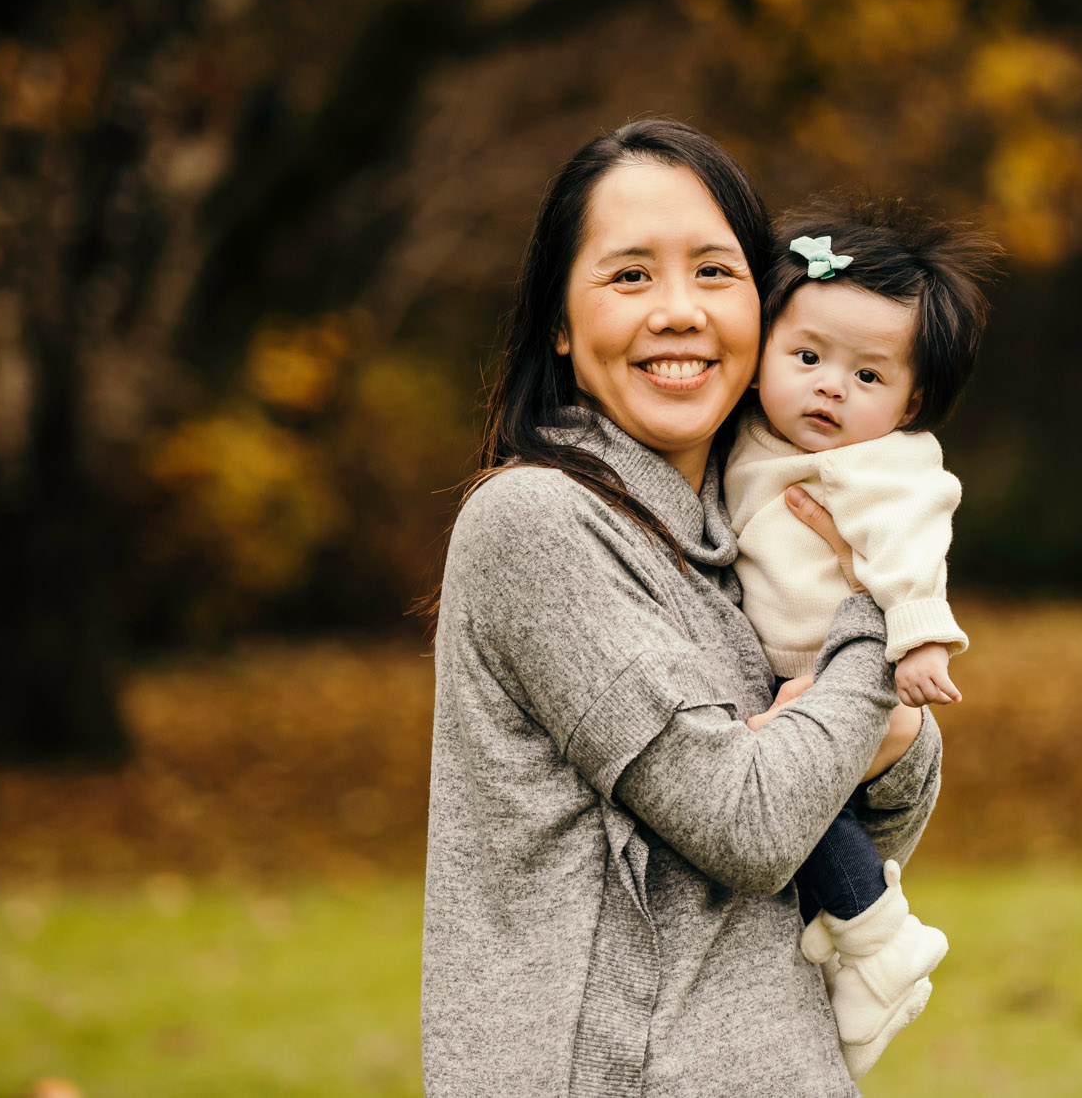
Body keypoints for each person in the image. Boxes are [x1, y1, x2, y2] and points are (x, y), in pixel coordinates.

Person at [421, 119, 942, 1098]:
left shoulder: (740, 535)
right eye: (629, 277)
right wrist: (877, 609)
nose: (678, 311)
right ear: (559, 326)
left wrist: (877, 730)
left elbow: (865, 827)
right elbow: (749, 825)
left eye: (713, 272)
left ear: (766, 309)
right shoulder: (535, 524)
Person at [724, 201, 999, 1077]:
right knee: (811, 821)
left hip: (836, 676)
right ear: (763, 348)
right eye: (807, 357)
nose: (831, 387)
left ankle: (881, 945)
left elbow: (915, 546)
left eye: (868, 376)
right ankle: (873, 955)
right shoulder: (748, 438)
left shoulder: (890, 464)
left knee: (803, 814)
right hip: (784, 686)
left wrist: (920, 642)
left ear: (910, 402)